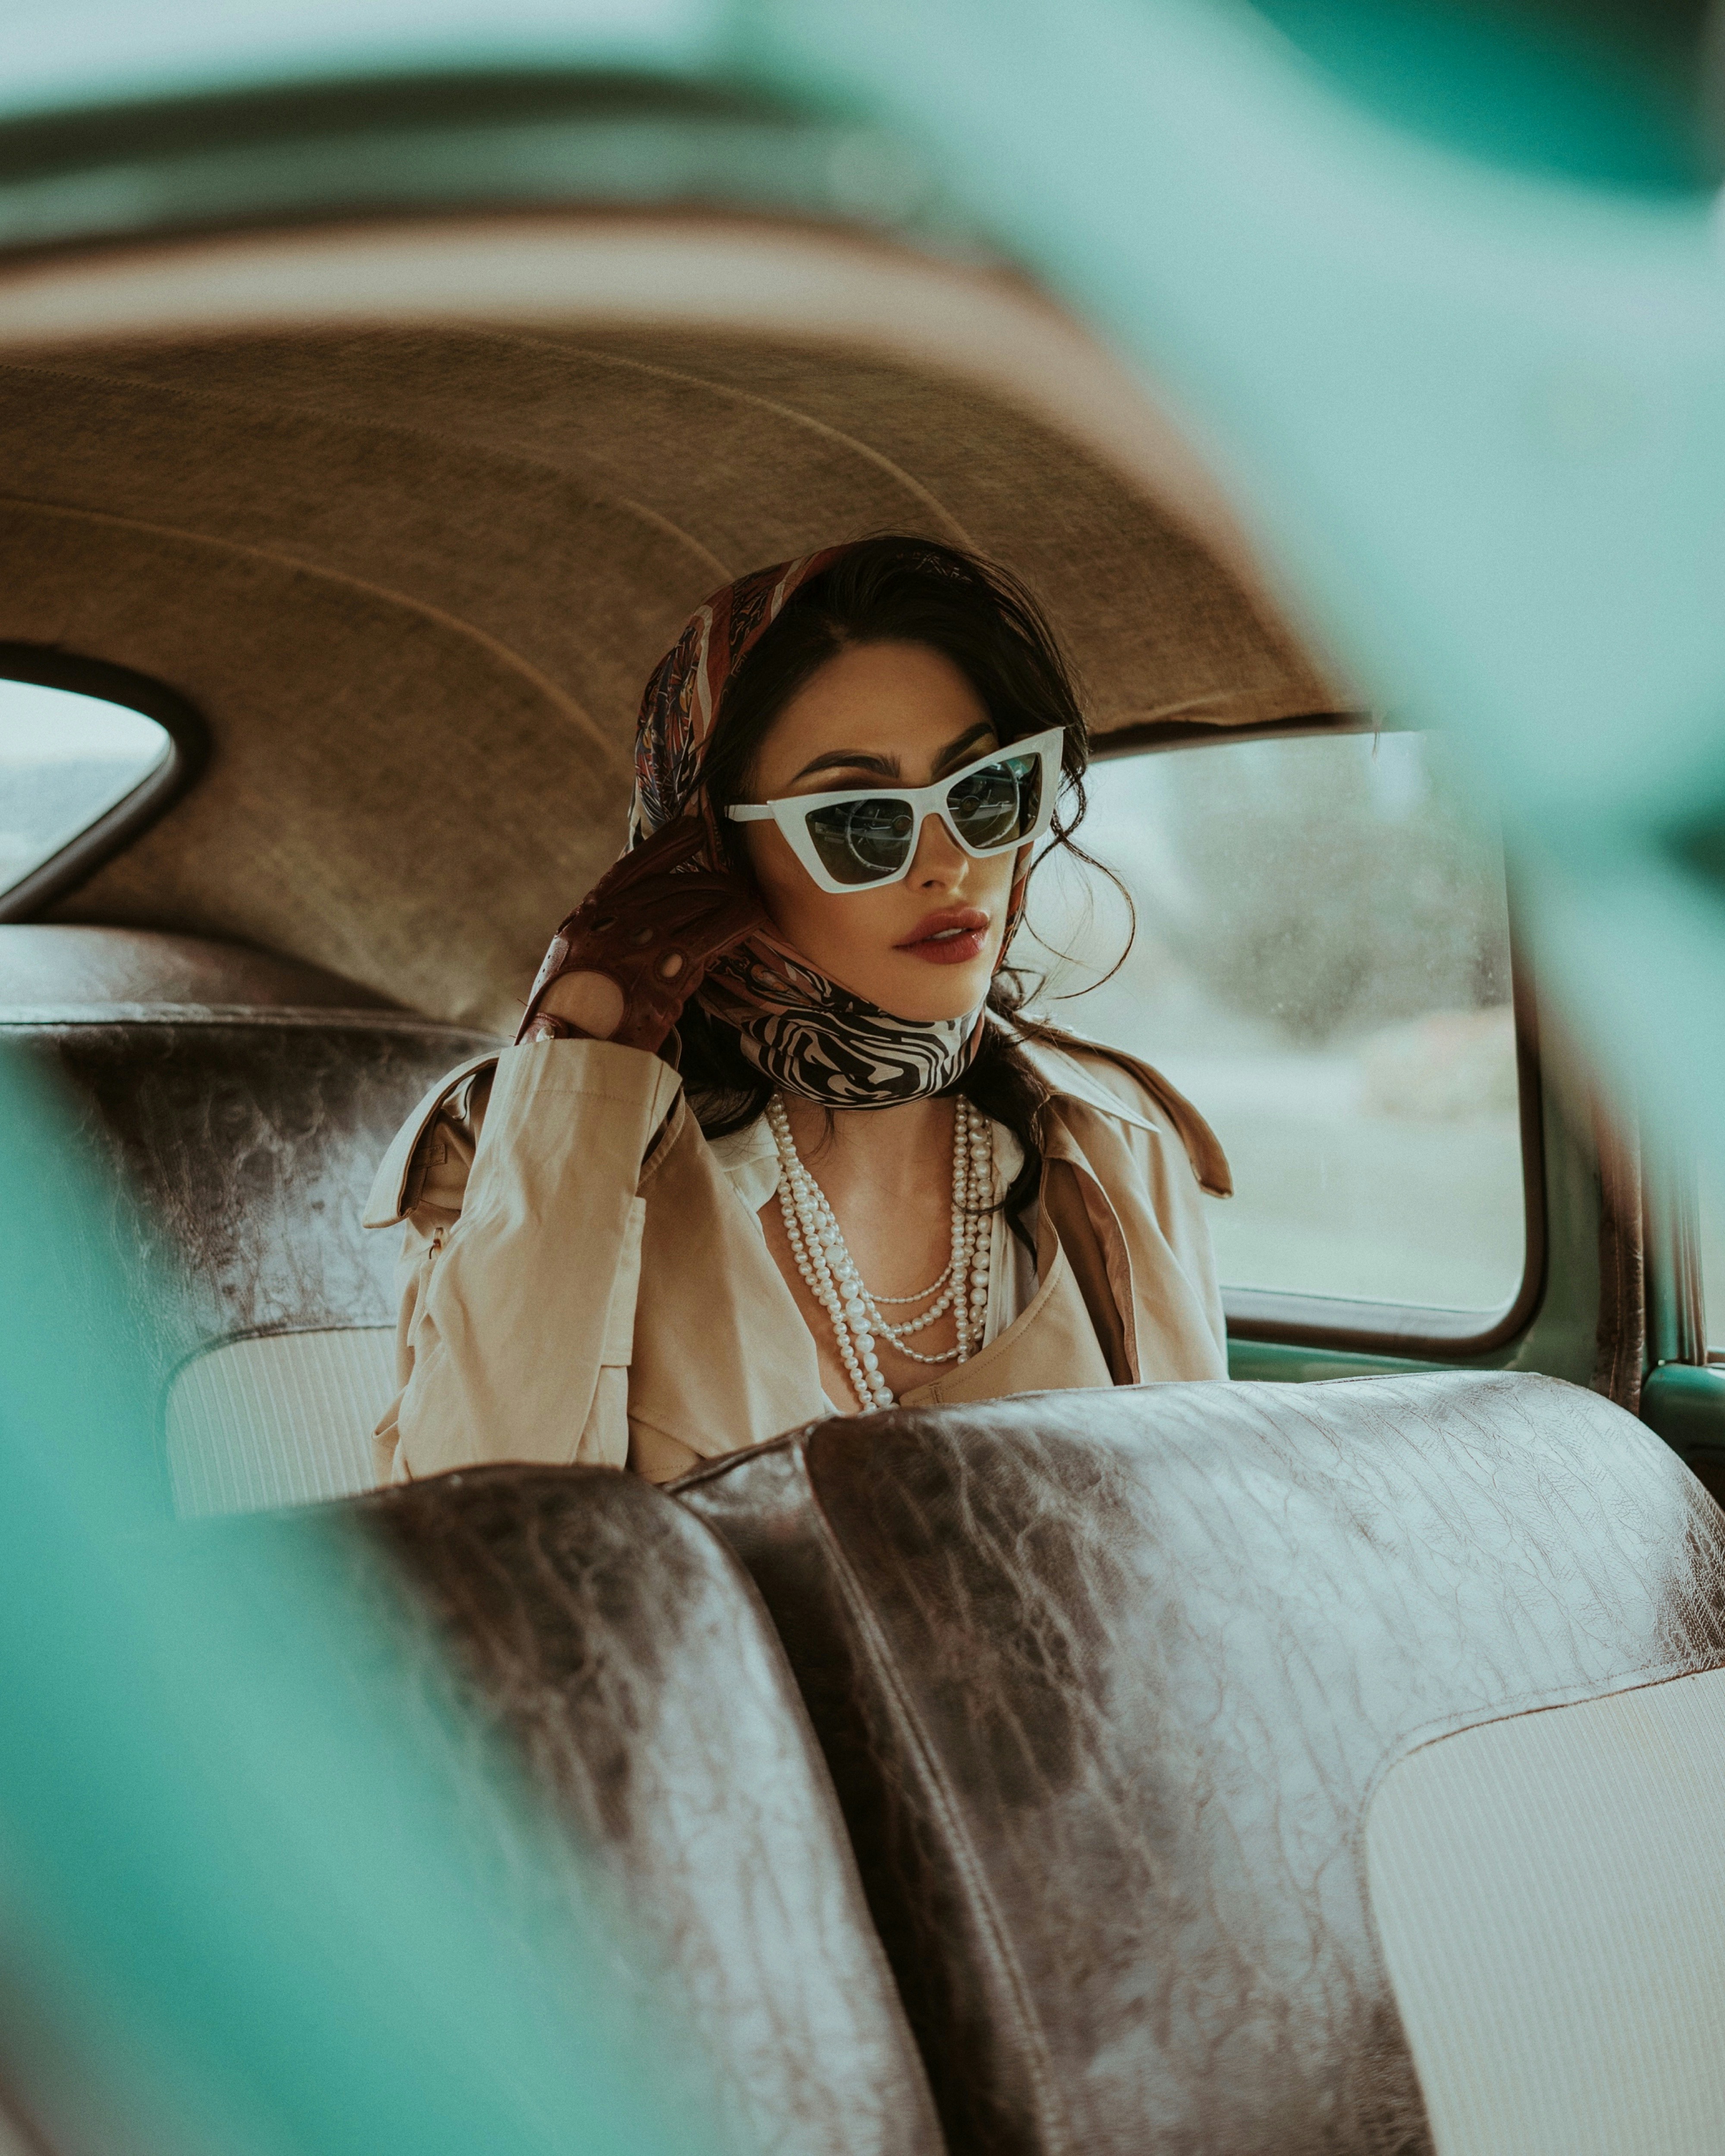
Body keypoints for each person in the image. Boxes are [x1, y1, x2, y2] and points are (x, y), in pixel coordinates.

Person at [365, 536, 1230, 1486]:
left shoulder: (1118, 1137)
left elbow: (1199, 1536)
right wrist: (580, 1058)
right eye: (858, 818)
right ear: (710, 859)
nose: (947, 862)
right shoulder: (524, 1140)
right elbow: (473, 1553)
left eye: (984, 791)